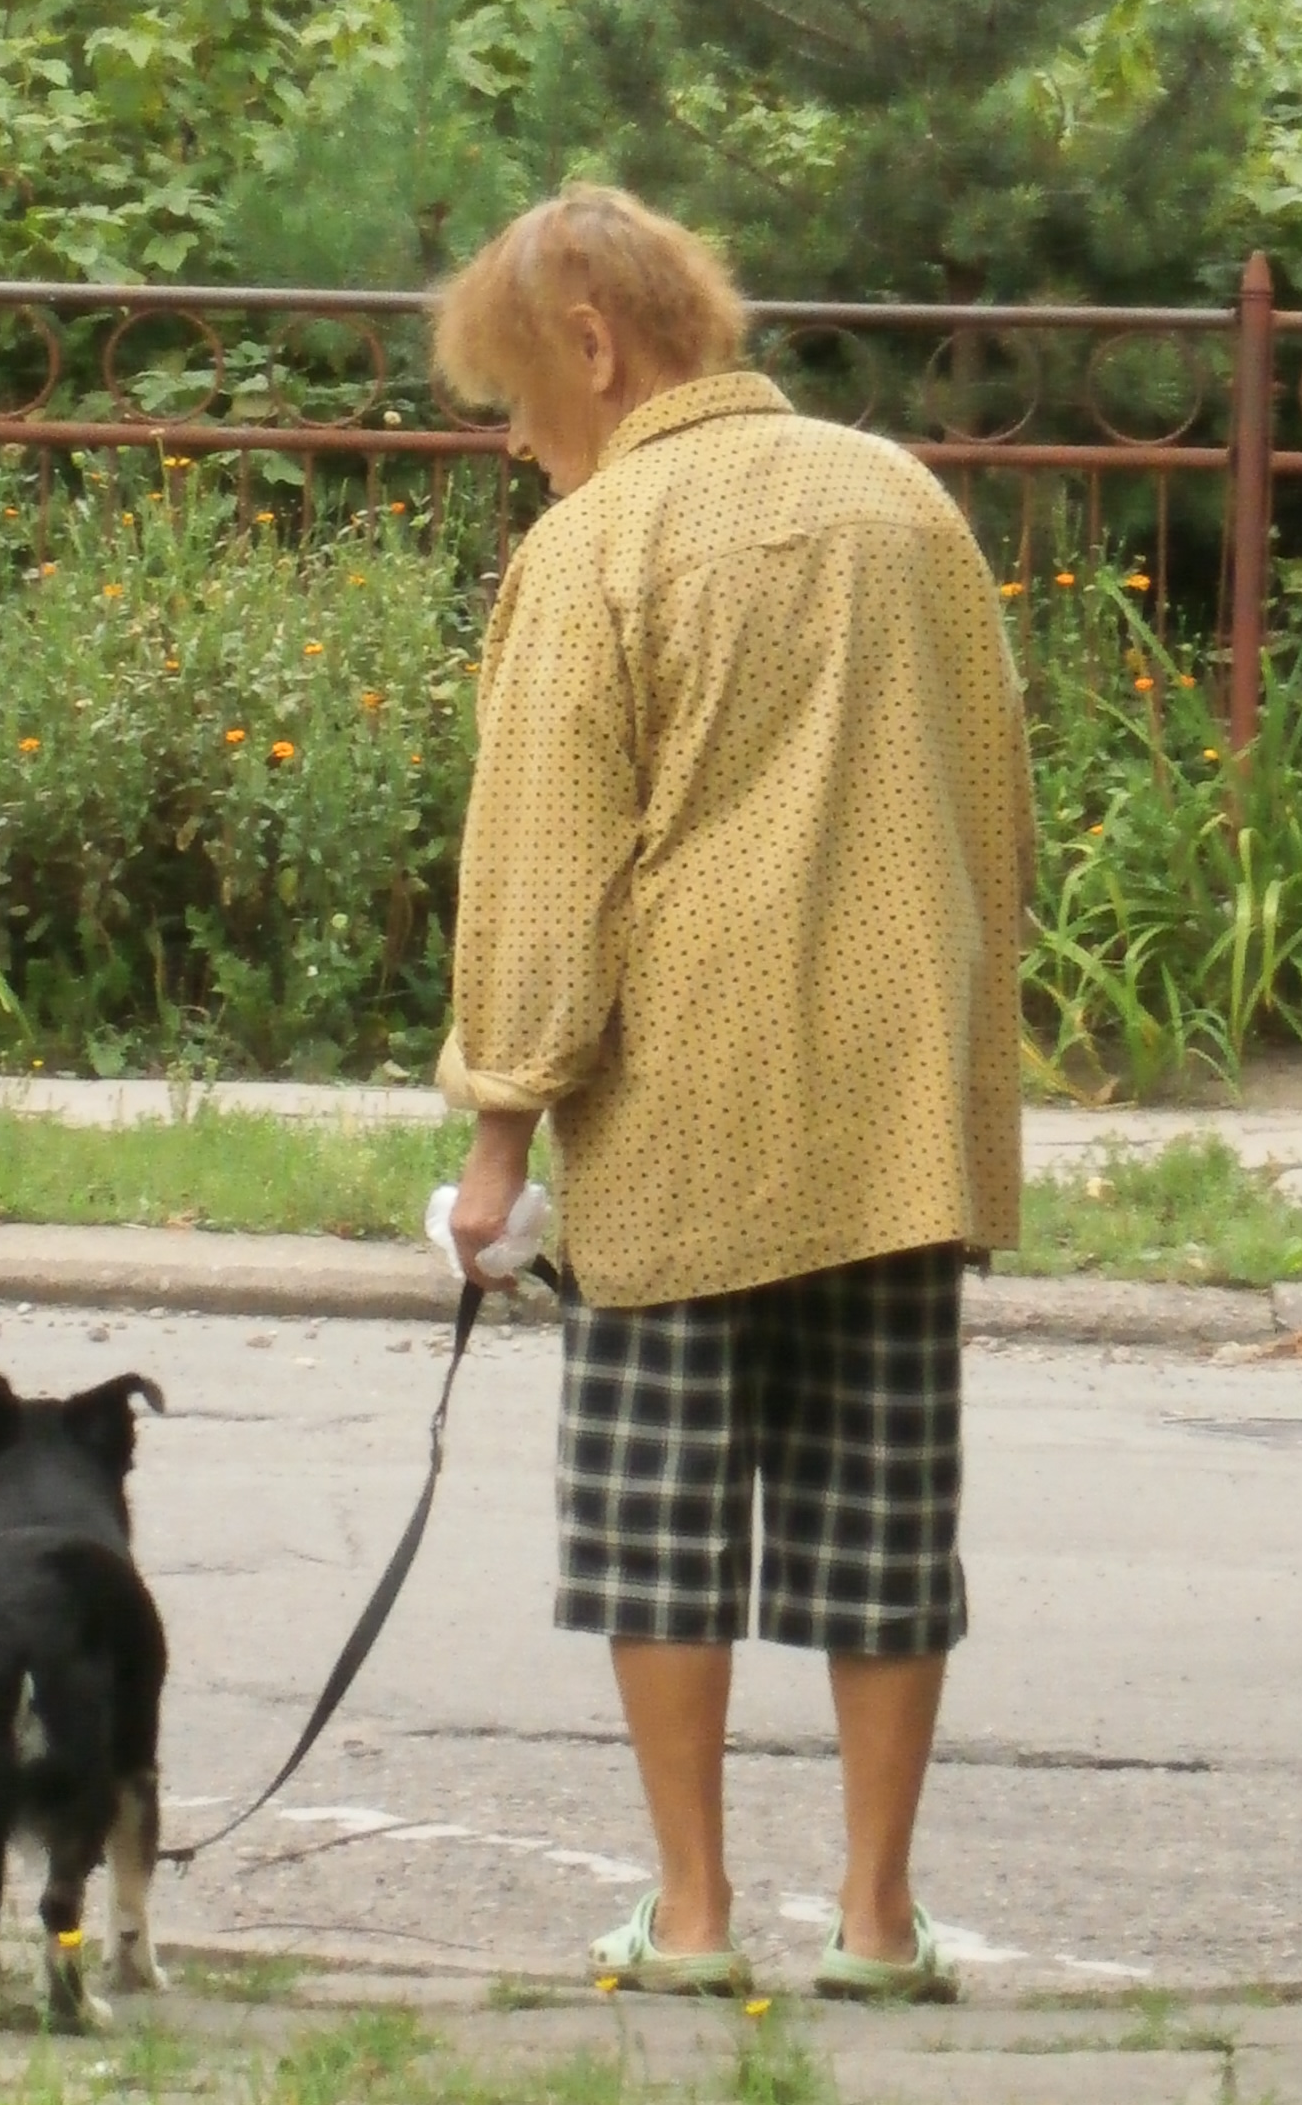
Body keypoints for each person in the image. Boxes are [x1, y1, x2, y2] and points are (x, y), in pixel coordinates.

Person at [434, 186, 1035, 2000]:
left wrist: (497, 1142)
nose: (518, 440)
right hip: (890, 1114)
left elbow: (546, 871)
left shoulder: (596, 548)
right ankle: (877, 1922)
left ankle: (692, 1919)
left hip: (676, 1118)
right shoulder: (904, 503)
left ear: (595, 345)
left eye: (517, 396)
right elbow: (997, 810)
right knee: (885, 1517)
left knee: (658, 1518)